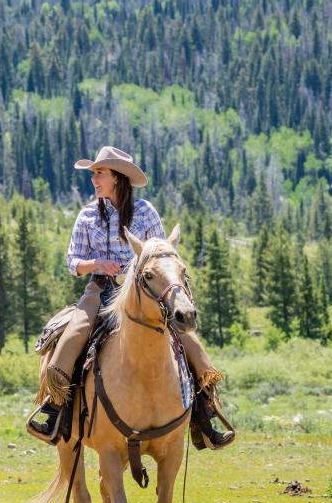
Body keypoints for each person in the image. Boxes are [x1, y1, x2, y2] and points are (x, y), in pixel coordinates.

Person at [26, 146, 234, 450]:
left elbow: (163, 253)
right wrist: (97, 264)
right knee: (72, 336)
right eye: (94, 173)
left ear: (118, 178)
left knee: (187, 339)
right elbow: (73, 262)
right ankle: (54, 408)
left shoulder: (146, 212)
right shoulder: (86, 215)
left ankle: (206, 413)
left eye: (100, 173)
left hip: (143, 293)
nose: (94, 179)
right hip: (101, 291)